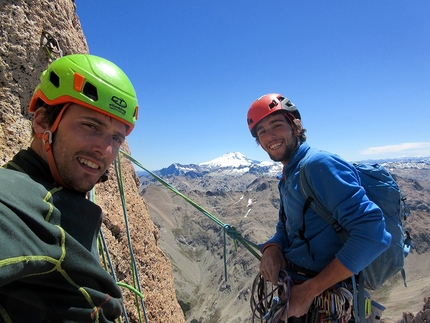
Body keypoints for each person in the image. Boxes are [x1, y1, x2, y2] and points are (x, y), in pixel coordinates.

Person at [0, 54, 138, 322]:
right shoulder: (12, 206)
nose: (106, 149)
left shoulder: (57, 194)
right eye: (90, 125)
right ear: (42, 122)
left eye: (116, 138)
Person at [247, 93, 391, 321]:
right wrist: (273, 246)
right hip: (300, 291)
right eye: (261, 131)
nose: (270, 135)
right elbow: (287, 227)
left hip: (324, 299)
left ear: (295, 127)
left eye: (277, 125)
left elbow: (373, 233)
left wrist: (310, 290)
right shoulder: (288, 175)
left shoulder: (317, 165)